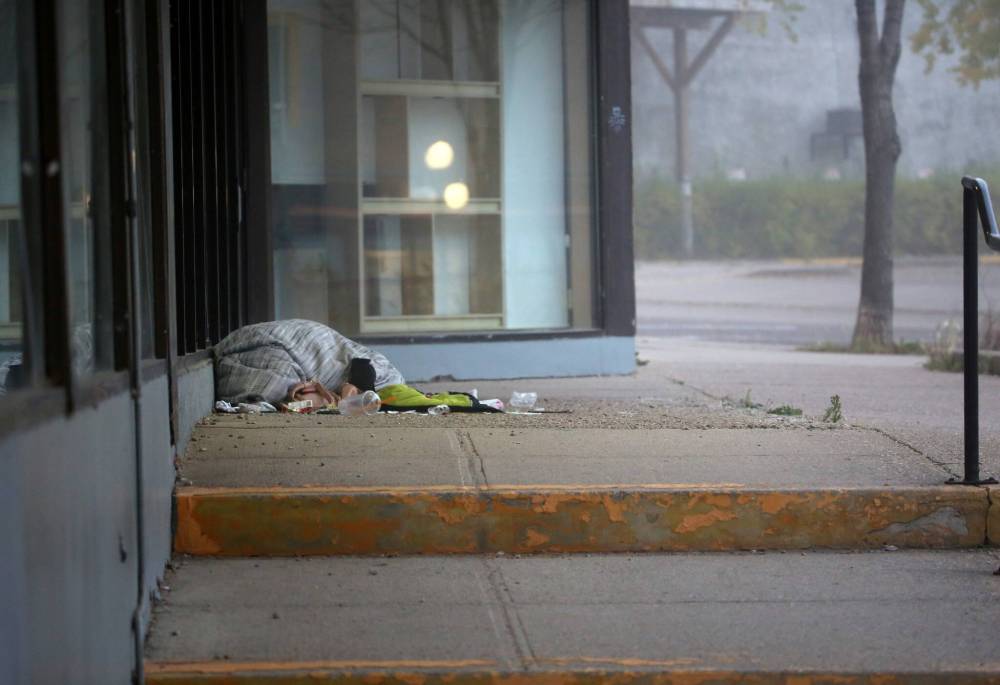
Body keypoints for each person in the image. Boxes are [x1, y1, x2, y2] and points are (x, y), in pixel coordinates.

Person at [214, 319, 404, 407]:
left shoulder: (385, 373)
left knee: (298, 400)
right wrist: (354, 390)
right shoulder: (389, 376)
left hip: (251, 341)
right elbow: (364, 367)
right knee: (277, 391)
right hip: (281, 343)